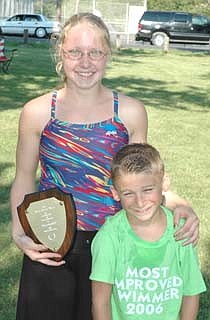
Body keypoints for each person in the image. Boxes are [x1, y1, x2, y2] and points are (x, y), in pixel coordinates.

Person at [10, 12, 199, 320]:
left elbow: (139, 178)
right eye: (75, 52)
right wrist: (20, 234)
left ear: (108, 54)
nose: (85, 62)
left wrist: (181, 204)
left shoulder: (130, 113)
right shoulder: (38, 112)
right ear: (61, 53)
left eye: (95, 52)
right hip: (49, 243)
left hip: (111, 244)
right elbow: (23, 178)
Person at [90, 143, 206, 320]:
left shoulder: (181, 231)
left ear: (164, 183)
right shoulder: (109, 237)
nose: (140, 201)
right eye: (128, 193)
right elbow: (100, 302)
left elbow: (191, 293)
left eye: (148, 190)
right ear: (115, 193)